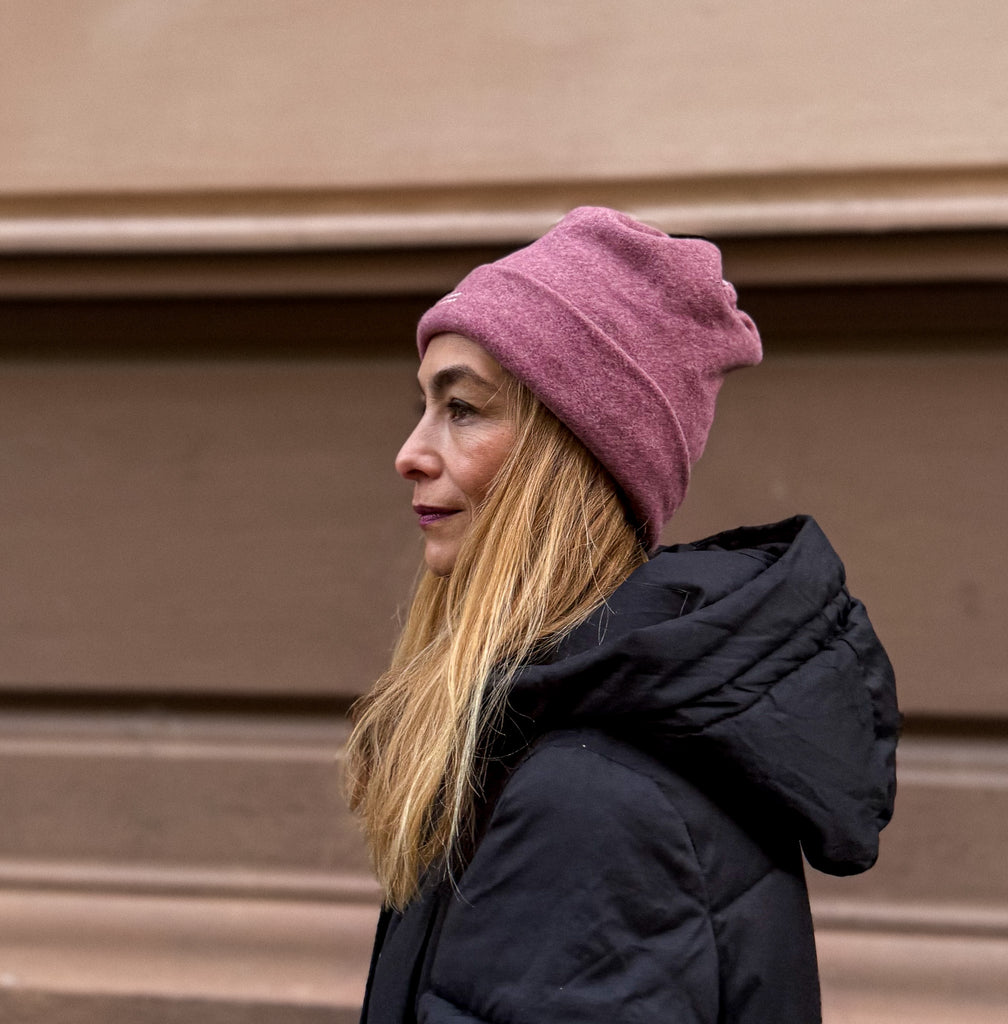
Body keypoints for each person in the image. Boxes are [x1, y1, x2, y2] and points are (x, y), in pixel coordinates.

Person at [346, 206, 898, 1024]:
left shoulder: (588, 801)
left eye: (462, 407)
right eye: (425, 405)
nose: (410, 453)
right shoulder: (574, 738)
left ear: (572, 454)